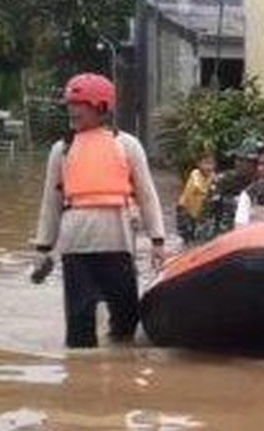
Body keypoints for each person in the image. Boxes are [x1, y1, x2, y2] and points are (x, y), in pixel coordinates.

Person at [31, 73, 166, 348]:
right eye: (69, 103)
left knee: (126, 321)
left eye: (79, 103)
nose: (72, 109)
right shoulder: (62, 150)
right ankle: (81, 382)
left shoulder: (127, 145)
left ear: (102, 107)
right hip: (76, 248)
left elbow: (147, 196)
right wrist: (42, 248)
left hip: (117, 243)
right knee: (79, 328)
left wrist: (158, 240)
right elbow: (50, 203)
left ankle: (122, 377)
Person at [176, 153, 216, 244]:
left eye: (211, 164)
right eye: (206, 163)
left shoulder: (212, 176)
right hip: (185, 208)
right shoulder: (195, 174)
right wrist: (211, 189)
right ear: (199, 164)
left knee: (199, 231)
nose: (209, 167)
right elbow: (199, 187)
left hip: (199, 209)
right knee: (186, 233)